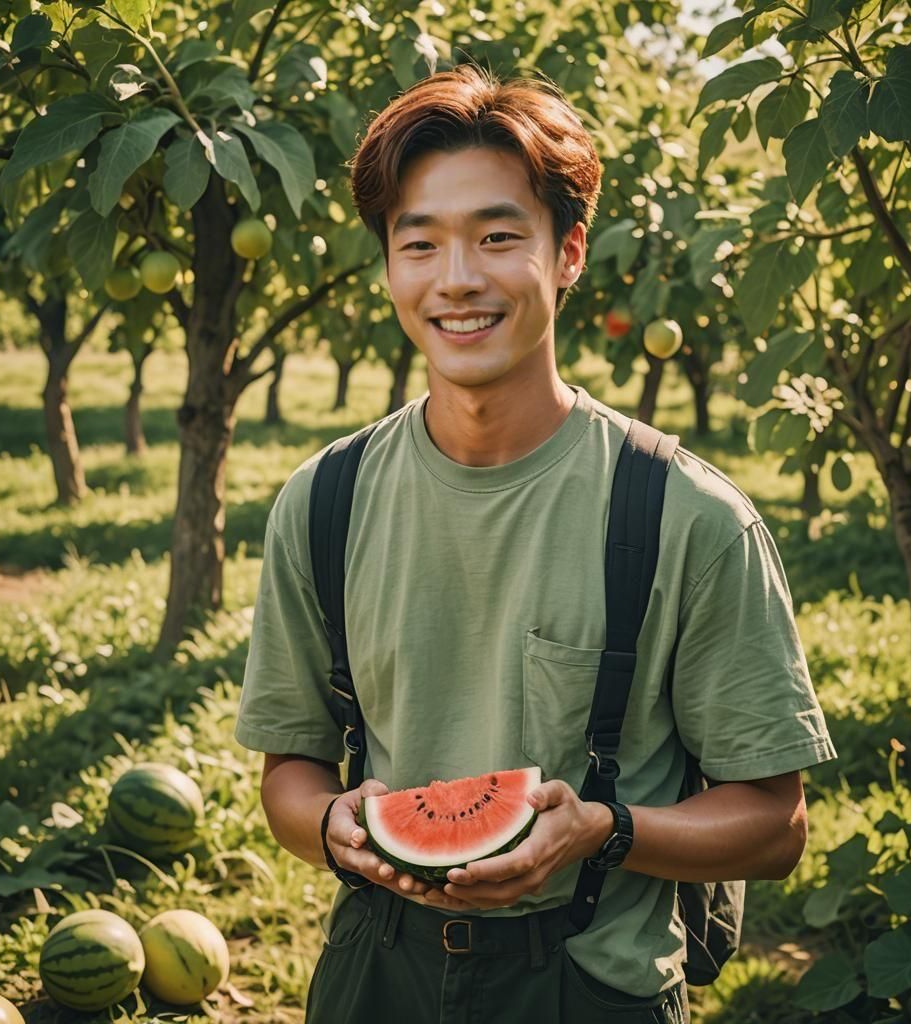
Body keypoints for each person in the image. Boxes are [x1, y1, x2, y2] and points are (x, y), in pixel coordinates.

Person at [234, 62, 837, 1024]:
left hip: (589, 980)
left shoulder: (688, 517)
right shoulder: (323, 501)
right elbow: (290, 777)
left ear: (568, 254)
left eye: (498, 236)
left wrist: (602, 830)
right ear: (390, 267)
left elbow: (774, 825)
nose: (458, 278)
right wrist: (335, 825)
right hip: (371, 970)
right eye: (419, 243)